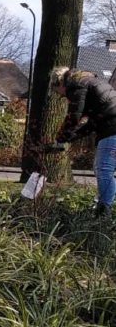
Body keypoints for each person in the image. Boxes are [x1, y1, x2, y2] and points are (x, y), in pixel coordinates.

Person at [48, 67, 116, 216]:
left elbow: (74, 117)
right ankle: (105, 207)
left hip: (112, 128)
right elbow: (91, 124)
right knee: (101, 169)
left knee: (104, 170)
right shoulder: (90, 82)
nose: (64, 97)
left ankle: (104, 212)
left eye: (60, 94)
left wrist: (60, 138)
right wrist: (70, 137)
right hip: (110, 125)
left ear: (59, 83)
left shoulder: (76, 85)